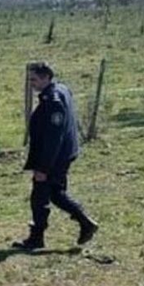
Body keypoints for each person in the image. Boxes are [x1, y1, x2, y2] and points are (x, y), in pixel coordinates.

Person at [14, 61, 98, 250]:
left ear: (46, 78)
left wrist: (43, 168)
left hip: (55, 157)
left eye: (34, 79)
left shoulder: (53, 100)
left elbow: (53, 138)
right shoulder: (61, 89)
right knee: (55, 194)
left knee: (41, 197)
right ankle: (84, 223)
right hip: (62, 154)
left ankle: (38, 237)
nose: (31, 83)